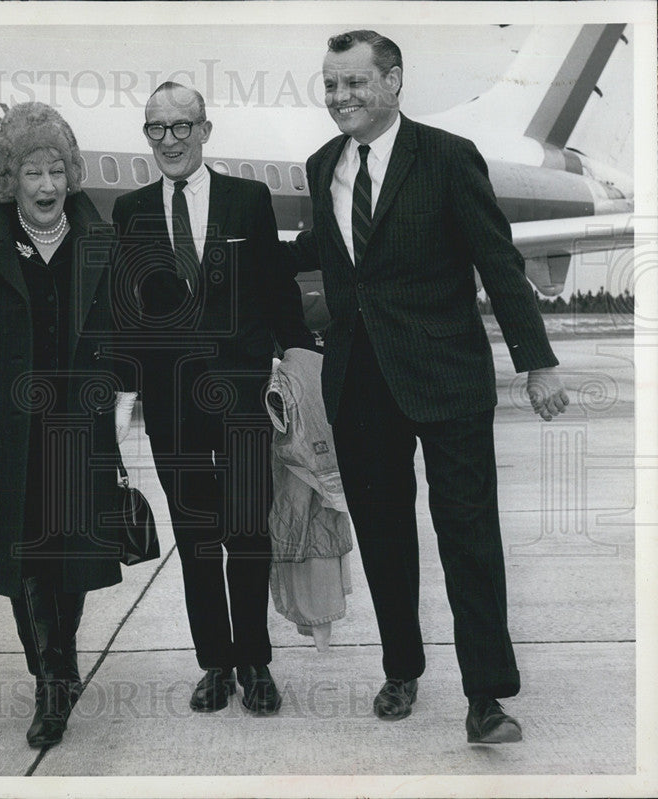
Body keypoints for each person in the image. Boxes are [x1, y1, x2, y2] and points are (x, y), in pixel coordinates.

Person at [287, 30, 569, 742]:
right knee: (382, 537)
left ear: (393, 82)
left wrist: (536, 361)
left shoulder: (445, 157)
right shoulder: (323, 166)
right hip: (360, 382)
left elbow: (498, 261)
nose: (340, 97)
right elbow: (314, 259)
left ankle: (486, 696)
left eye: (353, 82)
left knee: (468, 536)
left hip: (446, 377)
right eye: (329, 85)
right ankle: (401, 667)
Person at [111, 82, 316, 716]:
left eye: (181, 127)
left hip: (242, 398)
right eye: (156, 129)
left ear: (205, 131)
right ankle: (215, 665)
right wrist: (118, 399)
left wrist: (303, 366)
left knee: (248, 533)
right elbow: (126, 315)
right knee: (197, 537)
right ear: (147, 135)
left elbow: (278, 293)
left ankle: (255, 660)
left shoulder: (247, 200)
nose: (169, 141)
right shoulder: (132, 211)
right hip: (171, 408)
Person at [0, 102, 125, 749]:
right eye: (33, 172)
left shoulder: (100, 241)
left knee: (71, 554)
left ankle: (63, 654)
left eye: (57, 169)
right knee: (25, 551)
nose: (48, 185)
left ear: (70, 172)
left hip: (80, 427)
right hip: (8, 433)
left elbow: (126, 334)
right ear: (10, 178)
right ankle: (51, 679)